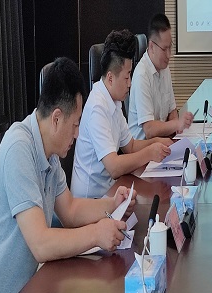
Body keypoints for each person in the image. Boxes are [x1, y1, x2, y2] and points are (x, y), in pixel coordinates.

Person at [0, 57, 135, 293]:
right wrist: (96, 234)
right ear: (56, 119)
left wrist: (112, 204)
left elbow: (70, 210)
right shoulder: (19, 147)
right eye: (75, 124)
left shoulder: (48, 151)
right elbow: (40, 244)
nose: (77, 134)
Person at [72, 29, 172, 198]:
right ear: (110, 78)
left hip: (111, 190)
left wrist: (157, 142)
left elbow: (130, 146)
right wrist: (150, 152)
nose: (130, 83)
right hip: (91, 199)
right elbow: (114, 167)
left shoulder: (114, 101)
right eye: (127, 77)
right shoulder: (97, 107)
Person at [128, 14, 193, 140]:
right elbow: (149, 130)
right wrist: (177, 124)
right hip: (144, 146)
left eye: (170, 47)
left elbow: (172, 111)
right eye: (164, 49)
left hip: (162, 141)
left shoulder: (164, 68)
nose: (169, 55)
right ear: (152, 46)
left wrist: (178, 127)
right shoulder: (142, 75)